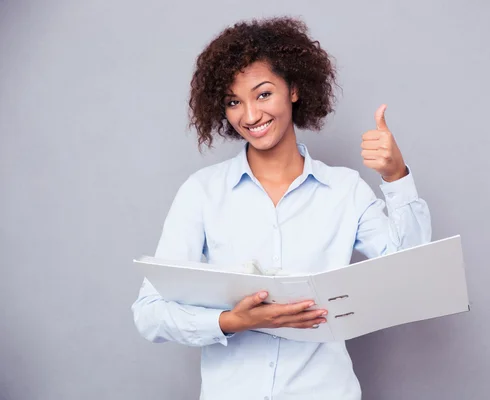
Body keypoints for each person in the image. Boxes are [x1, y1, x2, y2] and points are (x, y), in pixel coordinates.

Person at [131, 16, 431, 400]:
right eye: (233, 102)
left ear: (293, 88)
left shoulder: (346, 191)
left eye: (263, 94)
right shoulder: (202, 193)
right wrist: (229, 322)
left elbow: (413, 274)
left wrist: (396, 176)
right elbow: (150, 312)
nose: (251, 116)